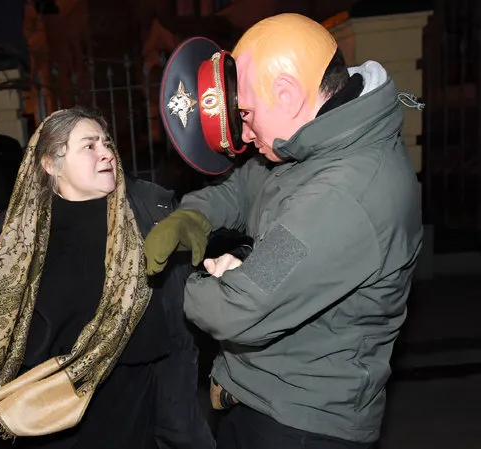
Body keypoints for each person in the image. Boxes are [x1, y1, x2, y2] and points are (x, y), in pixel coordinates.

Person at [146, 13, 424, 449]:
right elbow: (241, 187)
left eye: (247, 113)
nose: (241, 130)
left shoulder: (343, 195)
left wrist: (177, 281)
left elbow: (238, 308)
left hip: (300, 426)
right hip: (265, 405)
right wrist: (193, 217)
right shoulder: (311, 140)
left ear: (287, 94)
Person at [0, 107, 214, 449]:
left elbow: (201, 251)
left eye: (106, 143)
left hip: (130, 394)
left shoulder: (150, 210)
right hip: (47, 401)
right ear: (50, 164)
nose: (106, 153)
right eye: (89, 146)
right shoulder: (20, 233)